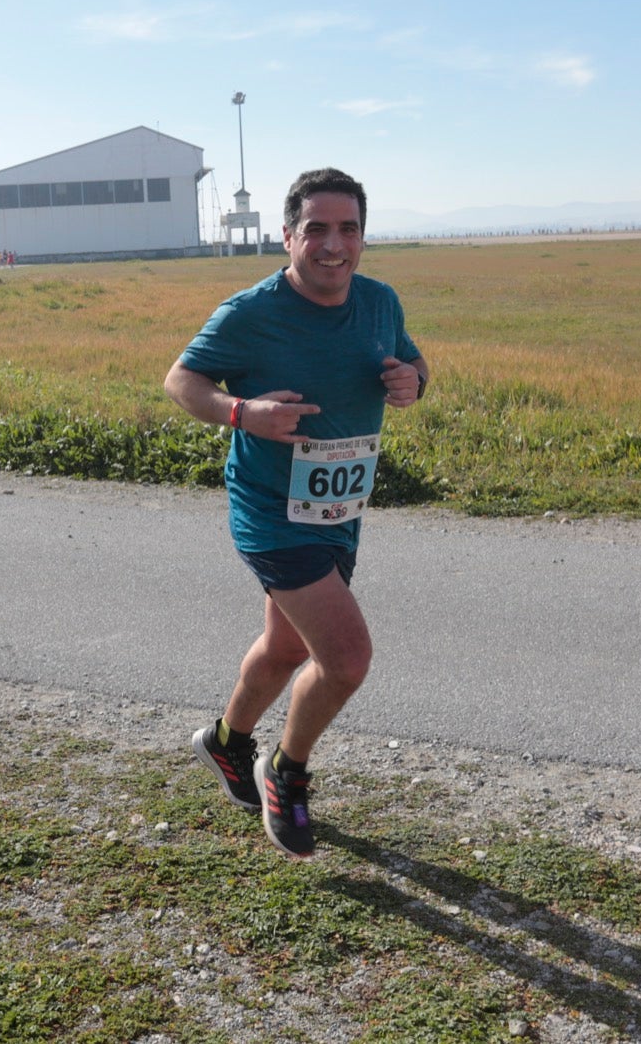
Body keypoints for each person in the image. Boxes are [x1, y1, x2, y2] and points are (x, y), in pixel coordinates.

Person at [165, 168, 430, 859]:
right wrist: (241, 412)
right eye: (317, 229)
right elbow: (181, 381)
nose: (333, 244)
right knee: (344, 659)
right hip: (270, 510)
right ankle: (286, 769)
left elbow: (411, 361)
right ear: (288, 236)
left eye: (348, 229)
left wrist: (414, 381)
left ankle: (226, 743)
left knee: (286, 648)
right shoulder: (251, 313)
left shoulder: (379, 302)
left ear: (363, 237)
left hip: (338, 508)